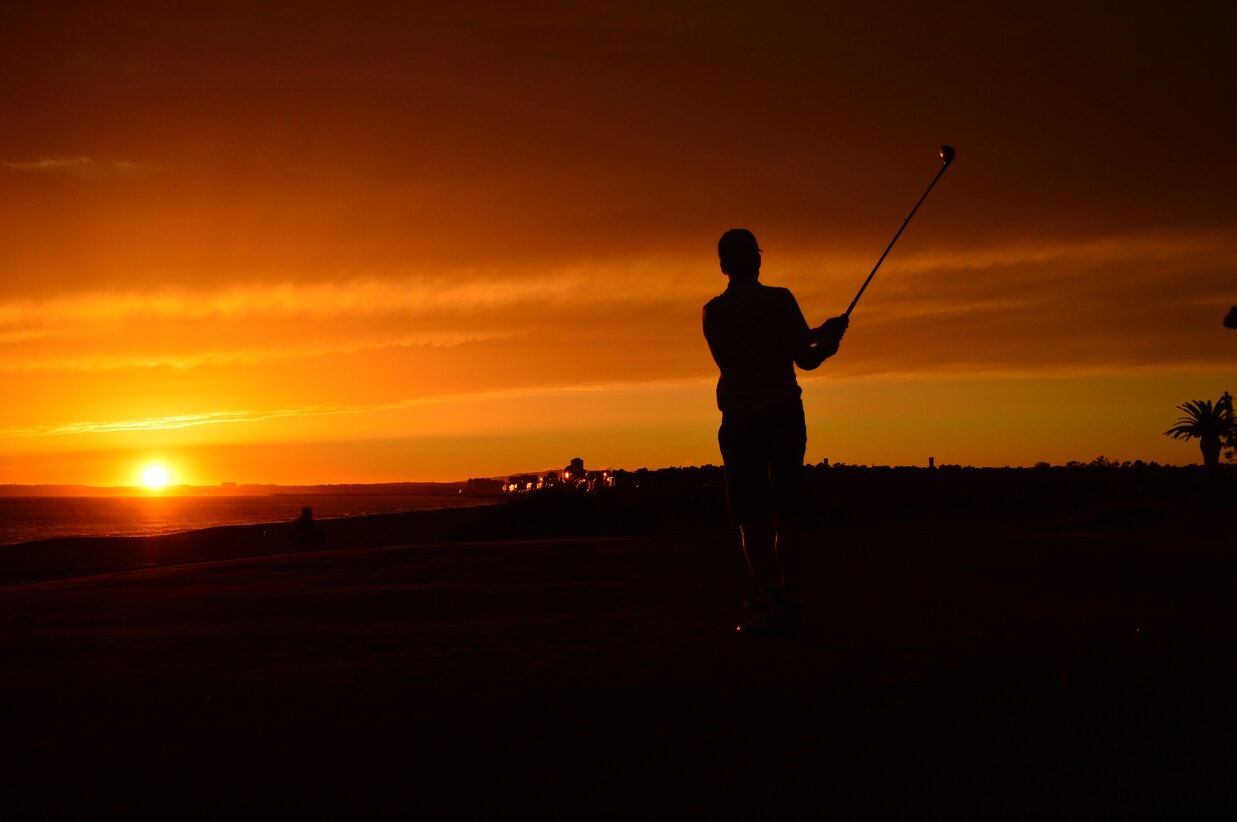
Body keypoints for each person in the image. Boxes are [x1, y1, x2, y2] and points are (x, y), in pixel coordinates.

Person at [703, 228, 848, 635]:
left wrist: (821, 334)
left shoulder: (712, 312)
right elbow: (804, 357)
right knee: (786, 512)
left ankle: (773, 599)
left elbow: (756, 349)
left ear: (722, 265)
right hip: (784, 415)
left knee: (750, 519)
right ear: (759, 260)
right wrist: (827, 341)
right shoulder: (780, 300)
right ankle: (789, 596)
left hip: (740, 422)